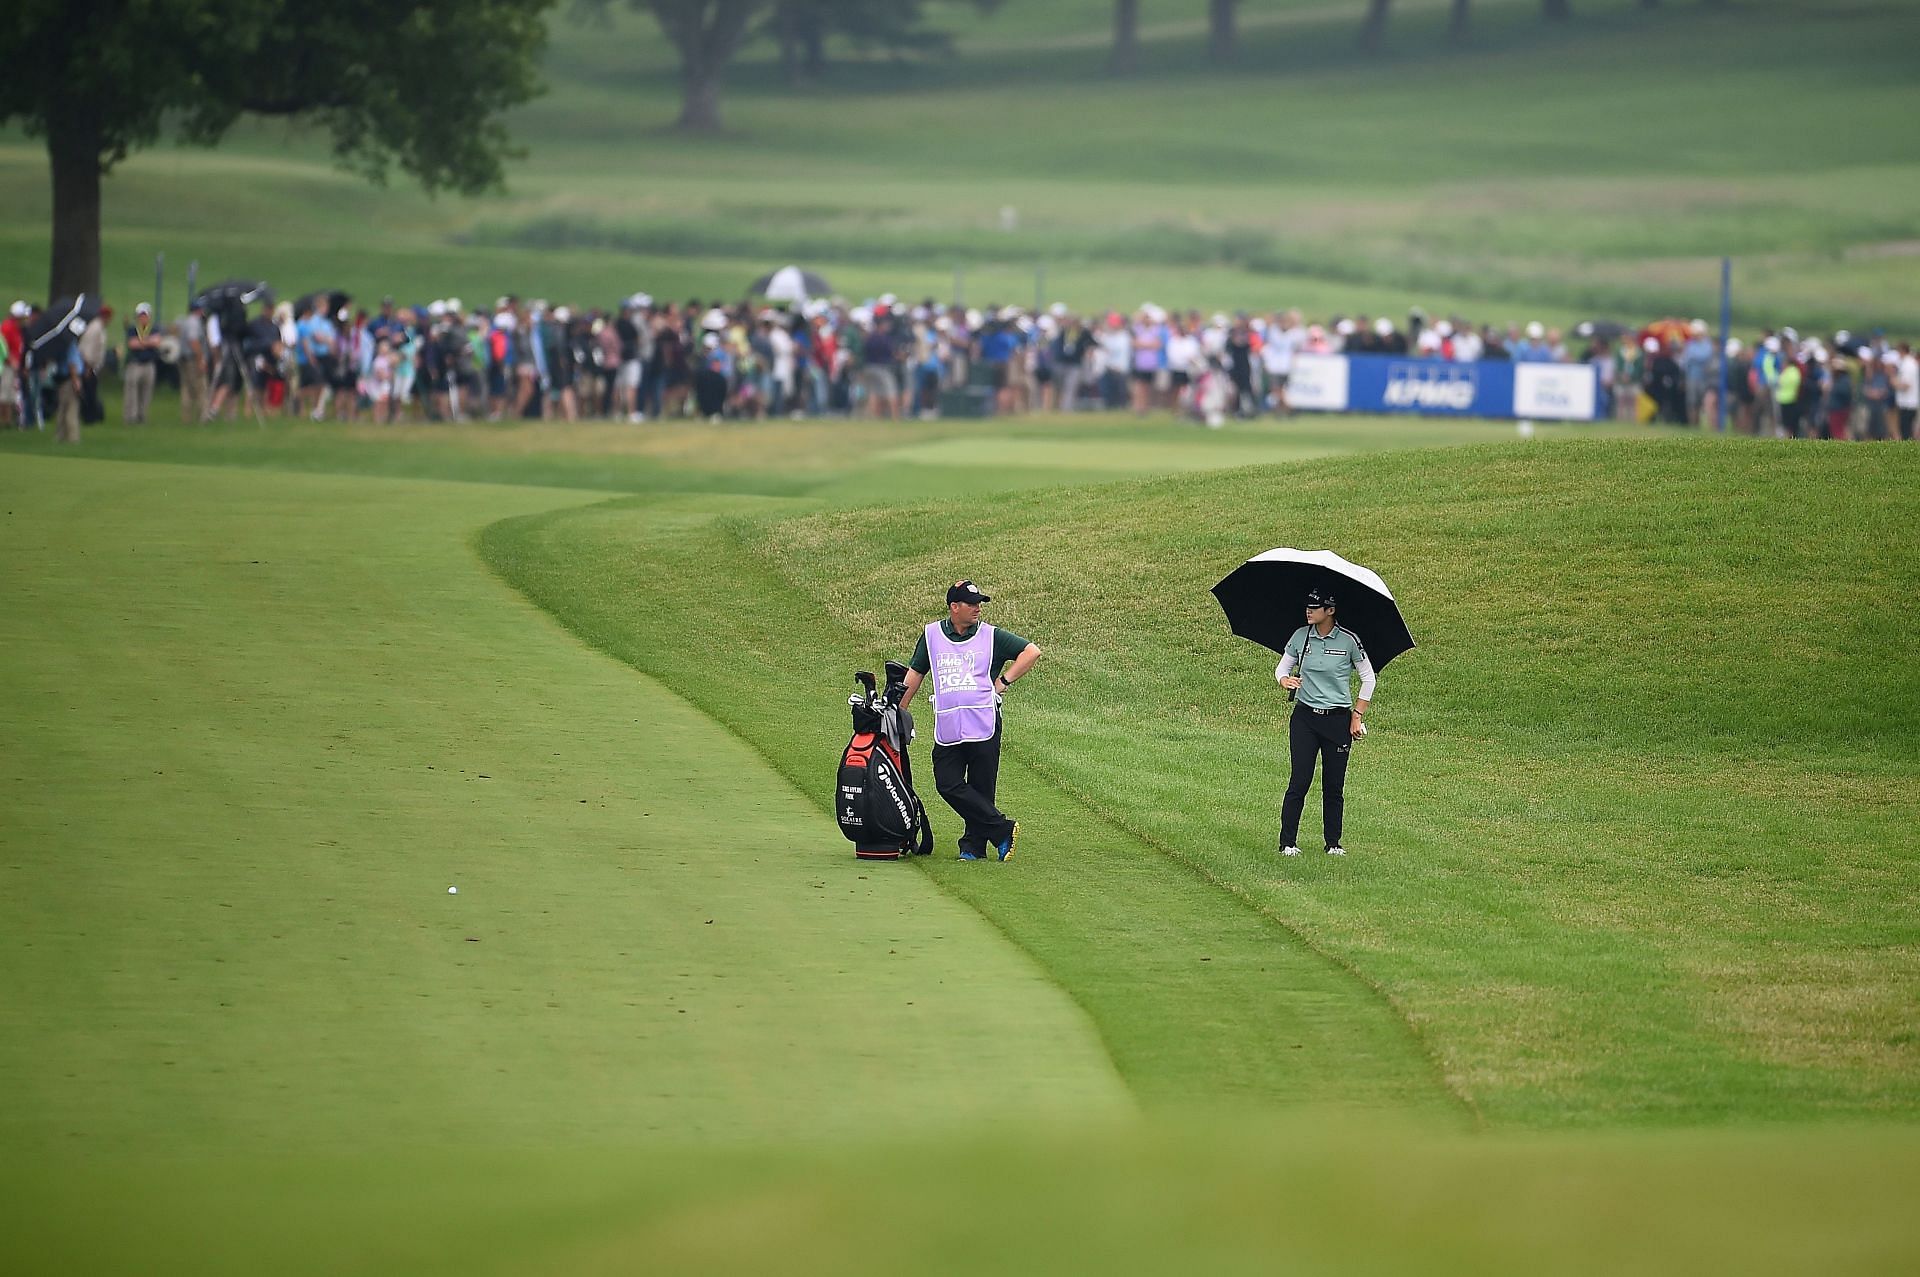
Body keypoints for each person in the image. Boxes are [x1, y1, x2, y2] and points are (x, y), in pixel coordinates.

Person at [899, 580, 1040, 862]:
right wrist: (899, 708)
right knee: (947, 783)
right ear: (954, 607)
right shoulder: (931, 635)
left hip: (984, 722)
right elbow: (916, 672)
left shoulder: (991, 636)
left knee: (982, 786)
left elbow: (1031, 652)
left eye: (979, 604)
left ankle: (972, 847)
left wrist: (1002, 682)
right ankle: (1002, 828)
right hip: (949, 725)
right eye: (971, 604)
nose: (977, 609)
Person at [1274, 587, 1376, 857]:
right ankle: (1287, 843)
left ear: (1330, 611)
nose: (1309, 610)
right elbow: (1282, 668)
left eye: (1315, 607)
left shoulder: (1349, 641)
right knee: (1300, 780)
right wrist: (1285, 680)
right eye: (1307, 606)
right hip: (1305, 718)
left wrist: (1357, 716)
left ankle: (1333, 843)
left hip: (1338, 720)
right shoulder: (1301, 636)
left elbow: (1369, 678)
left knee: (1333, 785)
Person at [122, 302, 161, 423]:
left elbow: (157, 342)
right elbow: (132, 344)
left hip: (149, 364)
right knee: (131, 391)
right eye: (141, 315)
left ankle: (142, 415)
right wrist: (148, 342)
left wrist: (142, 342)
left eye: (145, 315)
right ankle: (130, 416)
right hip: (135, 364)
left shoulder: (154, 328)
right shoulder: (133, 329)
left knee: (146, 392)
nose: (143, 318)